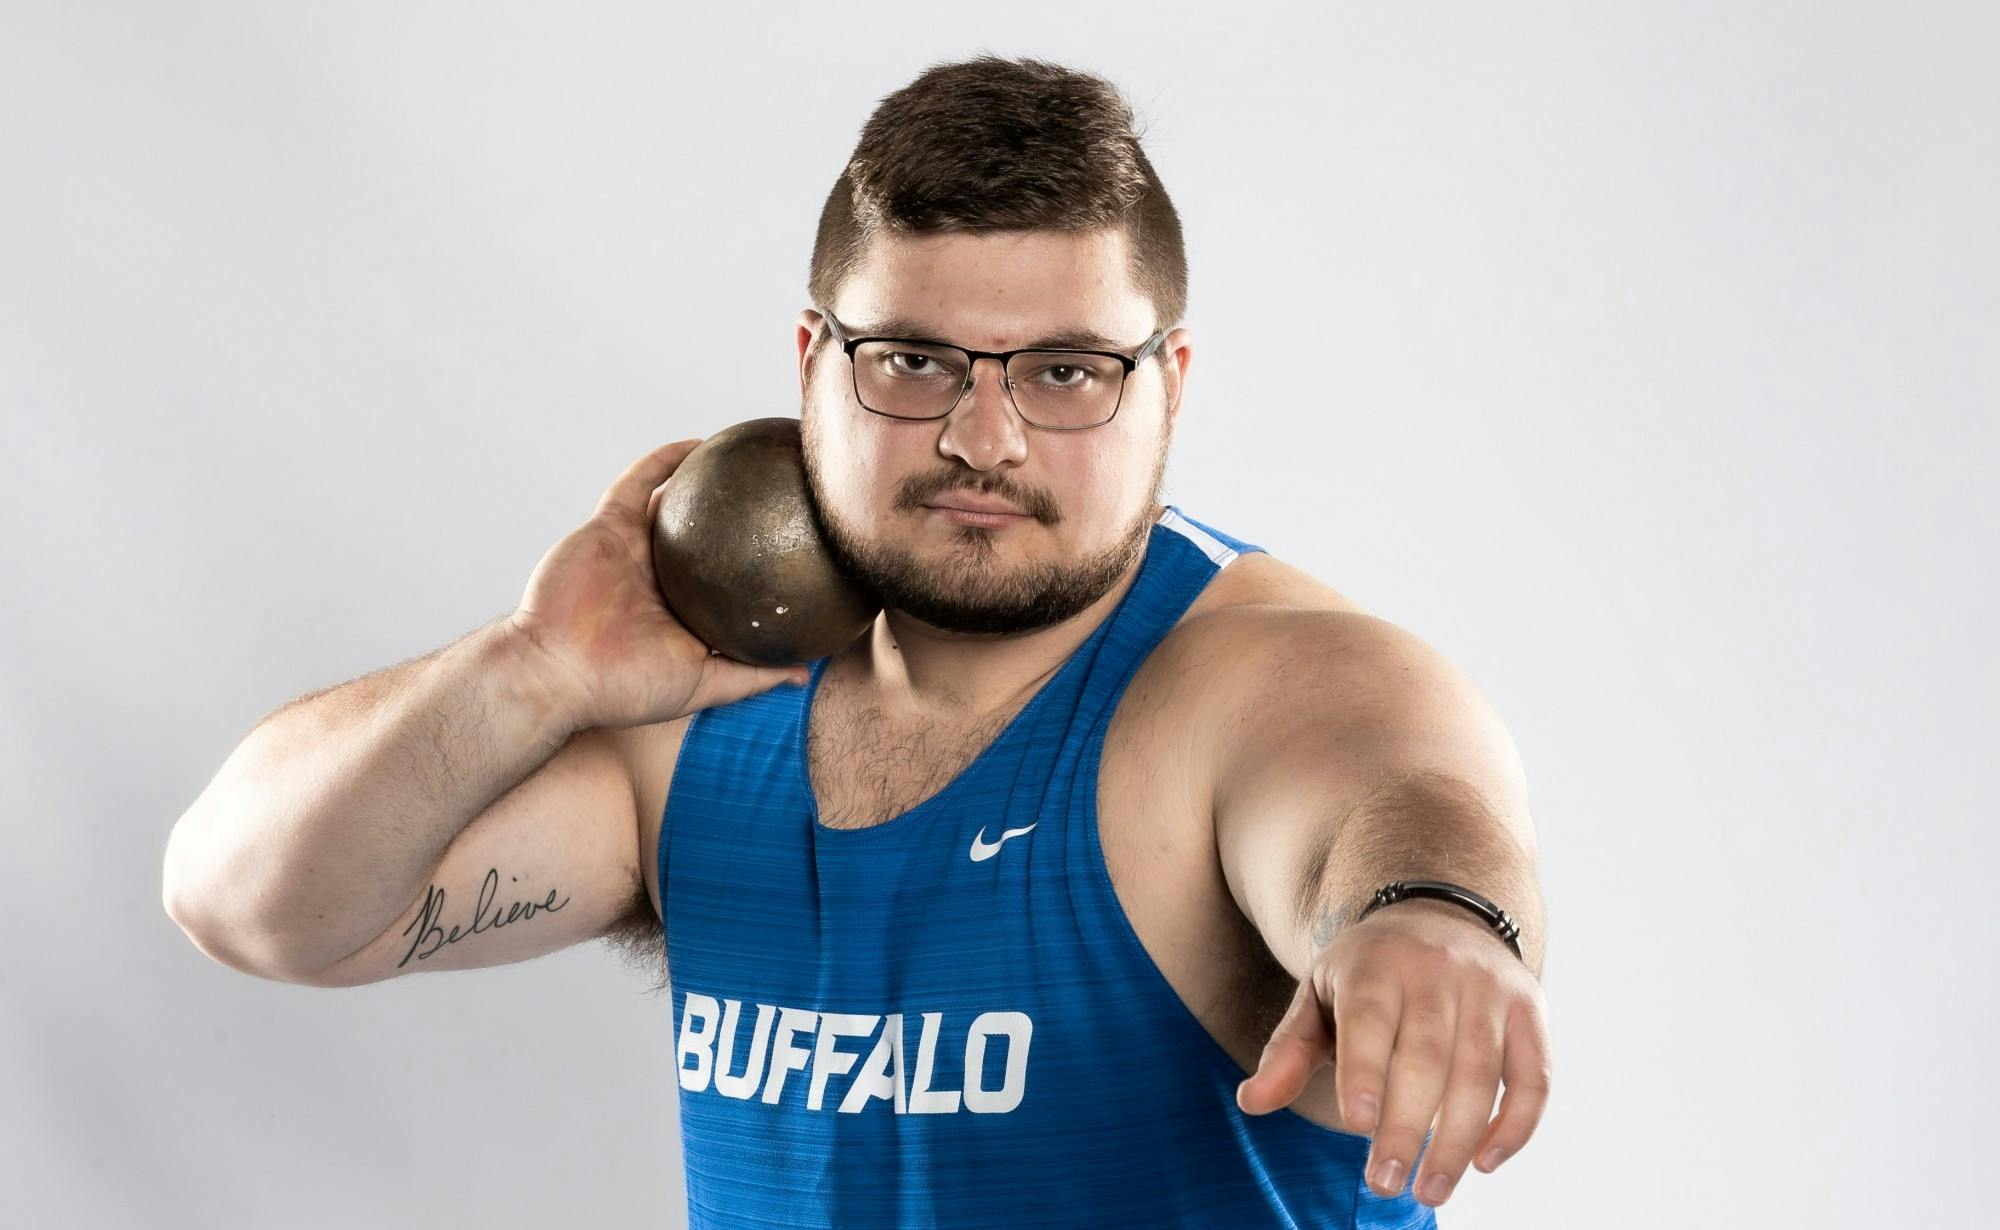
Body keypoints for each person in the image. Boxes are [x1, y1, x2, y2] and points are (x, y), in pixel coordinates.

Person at [164, 53, 1551, 1227]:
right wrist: (531, 669)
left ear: (1167, 388)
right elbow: (252, 902)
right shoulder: (699, 720)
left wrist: (1431, 924)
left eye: (1067, 371)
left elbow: (1392, 801)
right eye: (914, 361)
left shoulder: (1263, 681)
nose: (984, 438)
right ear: (813, 363)